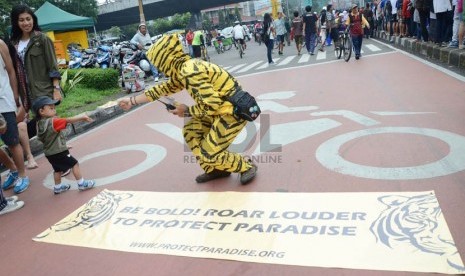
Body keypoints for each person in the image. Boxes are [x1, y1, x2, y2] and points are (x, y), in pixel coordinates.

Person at [118, 34, 258, 185]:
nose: (159, 68)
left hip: (231, 111)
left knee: (208, 152)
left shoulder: (189, 70)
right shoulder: (182, 70)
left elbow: (213, 105)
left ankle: (246, 166)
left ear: (166, 60)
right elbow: (162, 89)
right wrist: (132, 101)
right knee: (191, 132)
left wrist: (186, 111)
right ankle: (216, 169)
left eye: (159, 63)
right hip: (219, 110)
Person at [32, 96, 95, 194]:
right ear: (41, 111)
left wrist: (64, 145)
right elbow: (67, 120)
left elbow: (49, 139)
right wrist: (82, 117)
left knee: (57, 170)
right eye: (51, 108)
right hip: (59, 152)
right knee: (74, 164)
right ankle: (82, 184)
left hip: (50, 153)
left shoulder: (39, 124)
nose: (54, 110)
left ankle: (58, 187)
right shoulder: (54, 121)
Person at [0, 38, 30, 194]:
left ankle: (23, 175)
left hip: (3, 101)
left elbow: (11, 70)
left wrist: (15, 96)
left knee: (12, 140)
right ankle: (12, 169)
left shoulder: (0, 44)